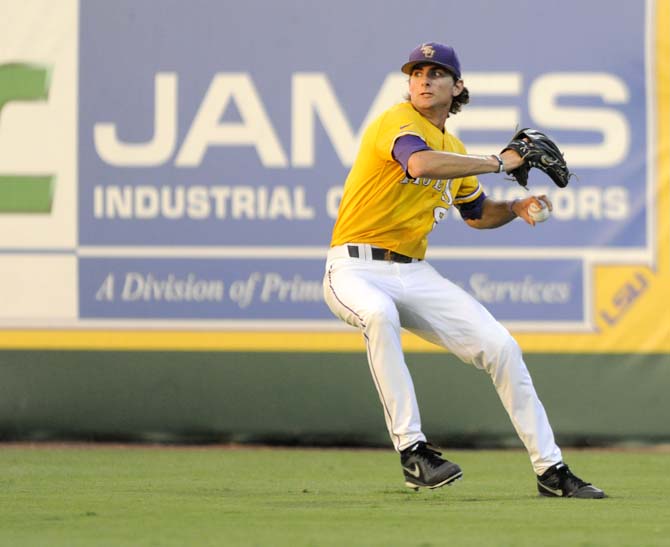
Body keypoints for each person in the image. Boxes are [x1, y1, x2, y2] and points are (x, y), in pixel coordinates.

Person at [322, 42, 605, 498]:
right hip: (353, 269)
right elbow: (418, 162)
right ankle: (414, 451)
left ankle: (551, 471)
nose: (423, 80)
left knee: (501, 346)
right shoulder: (398, 122)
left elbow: (475, 213)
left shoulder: (454, 149)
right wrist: (500, 162)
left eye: (435, 73)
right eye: (416, 72)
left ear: (458, 88)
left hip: (413, 273)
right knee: (378, 314)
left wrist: (515, 206)